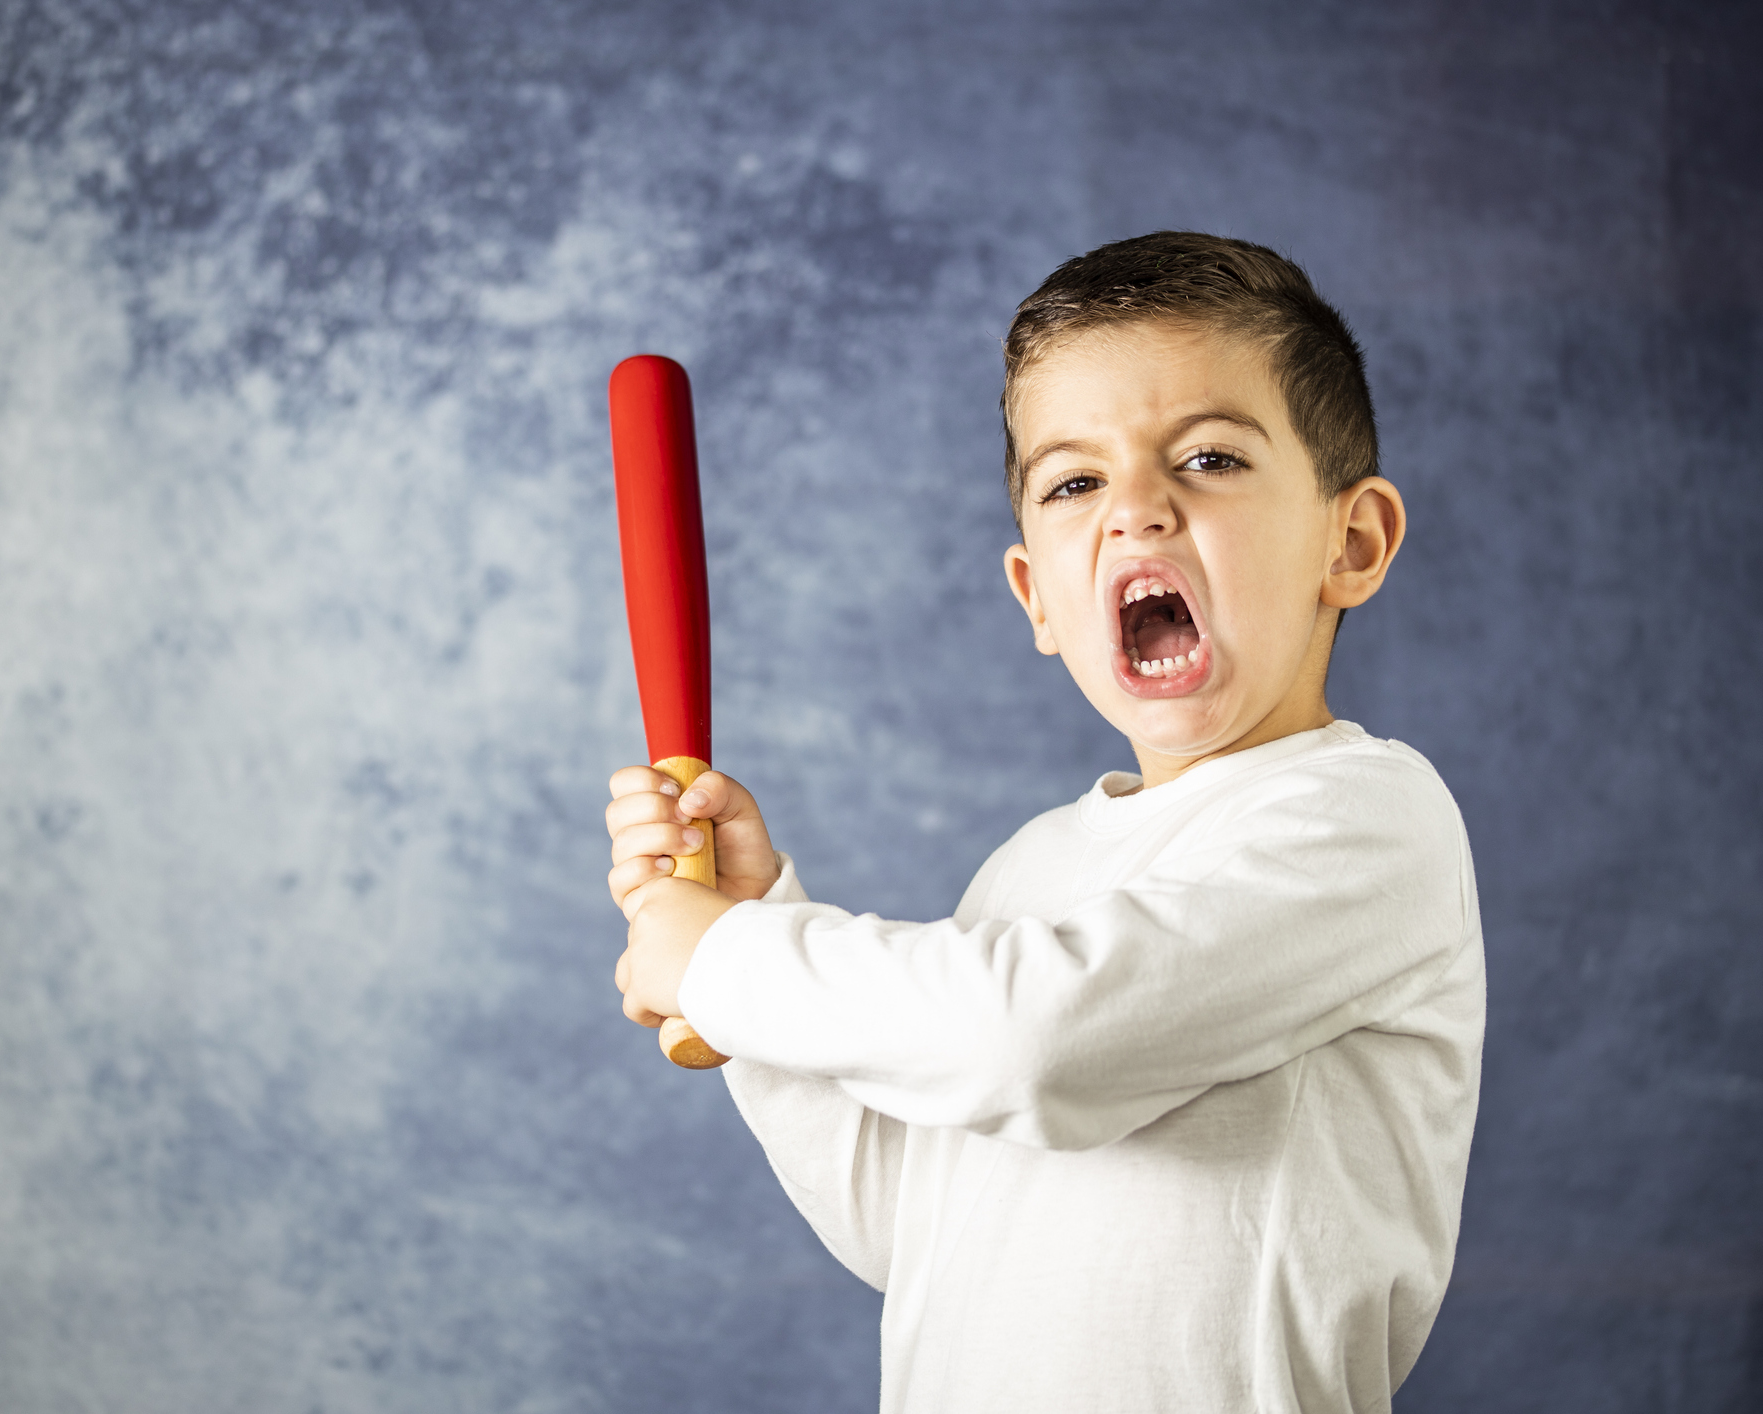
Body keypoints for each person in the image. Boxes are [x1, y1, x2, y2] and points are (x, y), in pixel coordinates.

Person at [601, 231, 1485, 1413]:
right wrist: (757, 916)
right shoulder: (1036, 868)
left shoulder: (1371, 821)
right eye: (1075, 482)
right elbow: (902, 1219)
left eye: (1211, 458)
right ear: (1038, 600)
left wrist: (724, 958)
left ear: (1352, 541)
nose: (1137, 513)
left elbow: (1045, 1040)